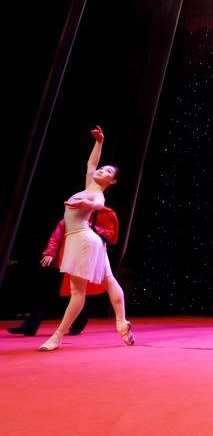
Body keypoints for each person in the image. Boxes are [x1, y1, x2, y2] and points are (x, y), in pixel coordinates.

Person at [38, 126, 134, 352]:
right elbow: (91, 163)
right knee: (109, 281)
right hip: (88, 240)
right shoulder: (90, 185)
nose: (101, 170)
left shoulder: (97, 194)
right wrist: (99, 142)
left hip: (83, 240)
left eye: (107, 171)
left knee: (77, 293)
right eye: (102, 168)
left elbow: (99, 204)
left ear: (112, 181)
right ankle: (122, 323)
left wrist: (87, 204)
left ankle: (58, 336)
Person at [7, 208, 118, 336]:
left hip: (84, 262)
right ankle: (30, 326)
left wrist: (92, 228)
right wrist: (50, 253)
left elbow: (111, 236)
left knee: (79, 294)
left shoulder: (105, 214)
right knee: (47, 294)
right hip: (64, 262)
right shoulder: (71, 216)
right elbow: (56, 236)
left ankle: (78, 325)